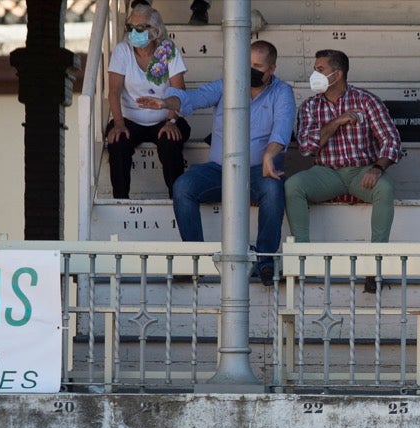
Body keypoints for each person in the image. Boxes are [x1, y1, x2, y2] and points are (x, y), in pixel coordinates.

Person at [150, 40, 293, 277]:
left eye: (257, 65)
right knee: (183, 186)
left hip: (259, 170)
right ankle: (196, 260)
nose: (249, 69)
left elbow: (283, 128)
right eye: (246, 63)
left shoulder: (282, 92)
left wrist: (270, 154)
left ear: (272, 69)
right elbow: (192, 99)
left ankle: (265, 260)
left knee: (272, 190)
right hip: (221, 170)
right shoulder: (228, 85)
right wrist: (167, 103)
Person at [285, 49, 403, 248]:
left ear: (338, 74)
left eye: (320, 69)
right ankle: (301, 255)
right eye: (314, 69)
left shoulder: (366, 100)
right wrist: (337, 121)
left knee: (385, 188)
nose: (315, 75)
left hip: (360, 171)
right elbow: (306, 147)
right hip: (326, 173)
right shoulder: (309, 106)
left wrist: (377, 169)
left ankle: (376, 259)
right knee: (293, 185)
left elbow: (392, 140)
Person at [104, 3, 189, 199]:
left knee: (171, 140)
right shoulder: (122, 50)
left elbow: (179, 90)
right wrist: (118, 123)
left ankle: (177, 199)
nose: (134, 33)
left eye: (140, 28)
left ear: (155, 31)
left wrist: (171, 121)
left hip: (165, 117)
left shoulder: (168, 50)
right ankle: (121, 200)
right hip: (130, 119)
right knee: (117, 141)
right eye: (130, 28)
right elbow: (114, 91)